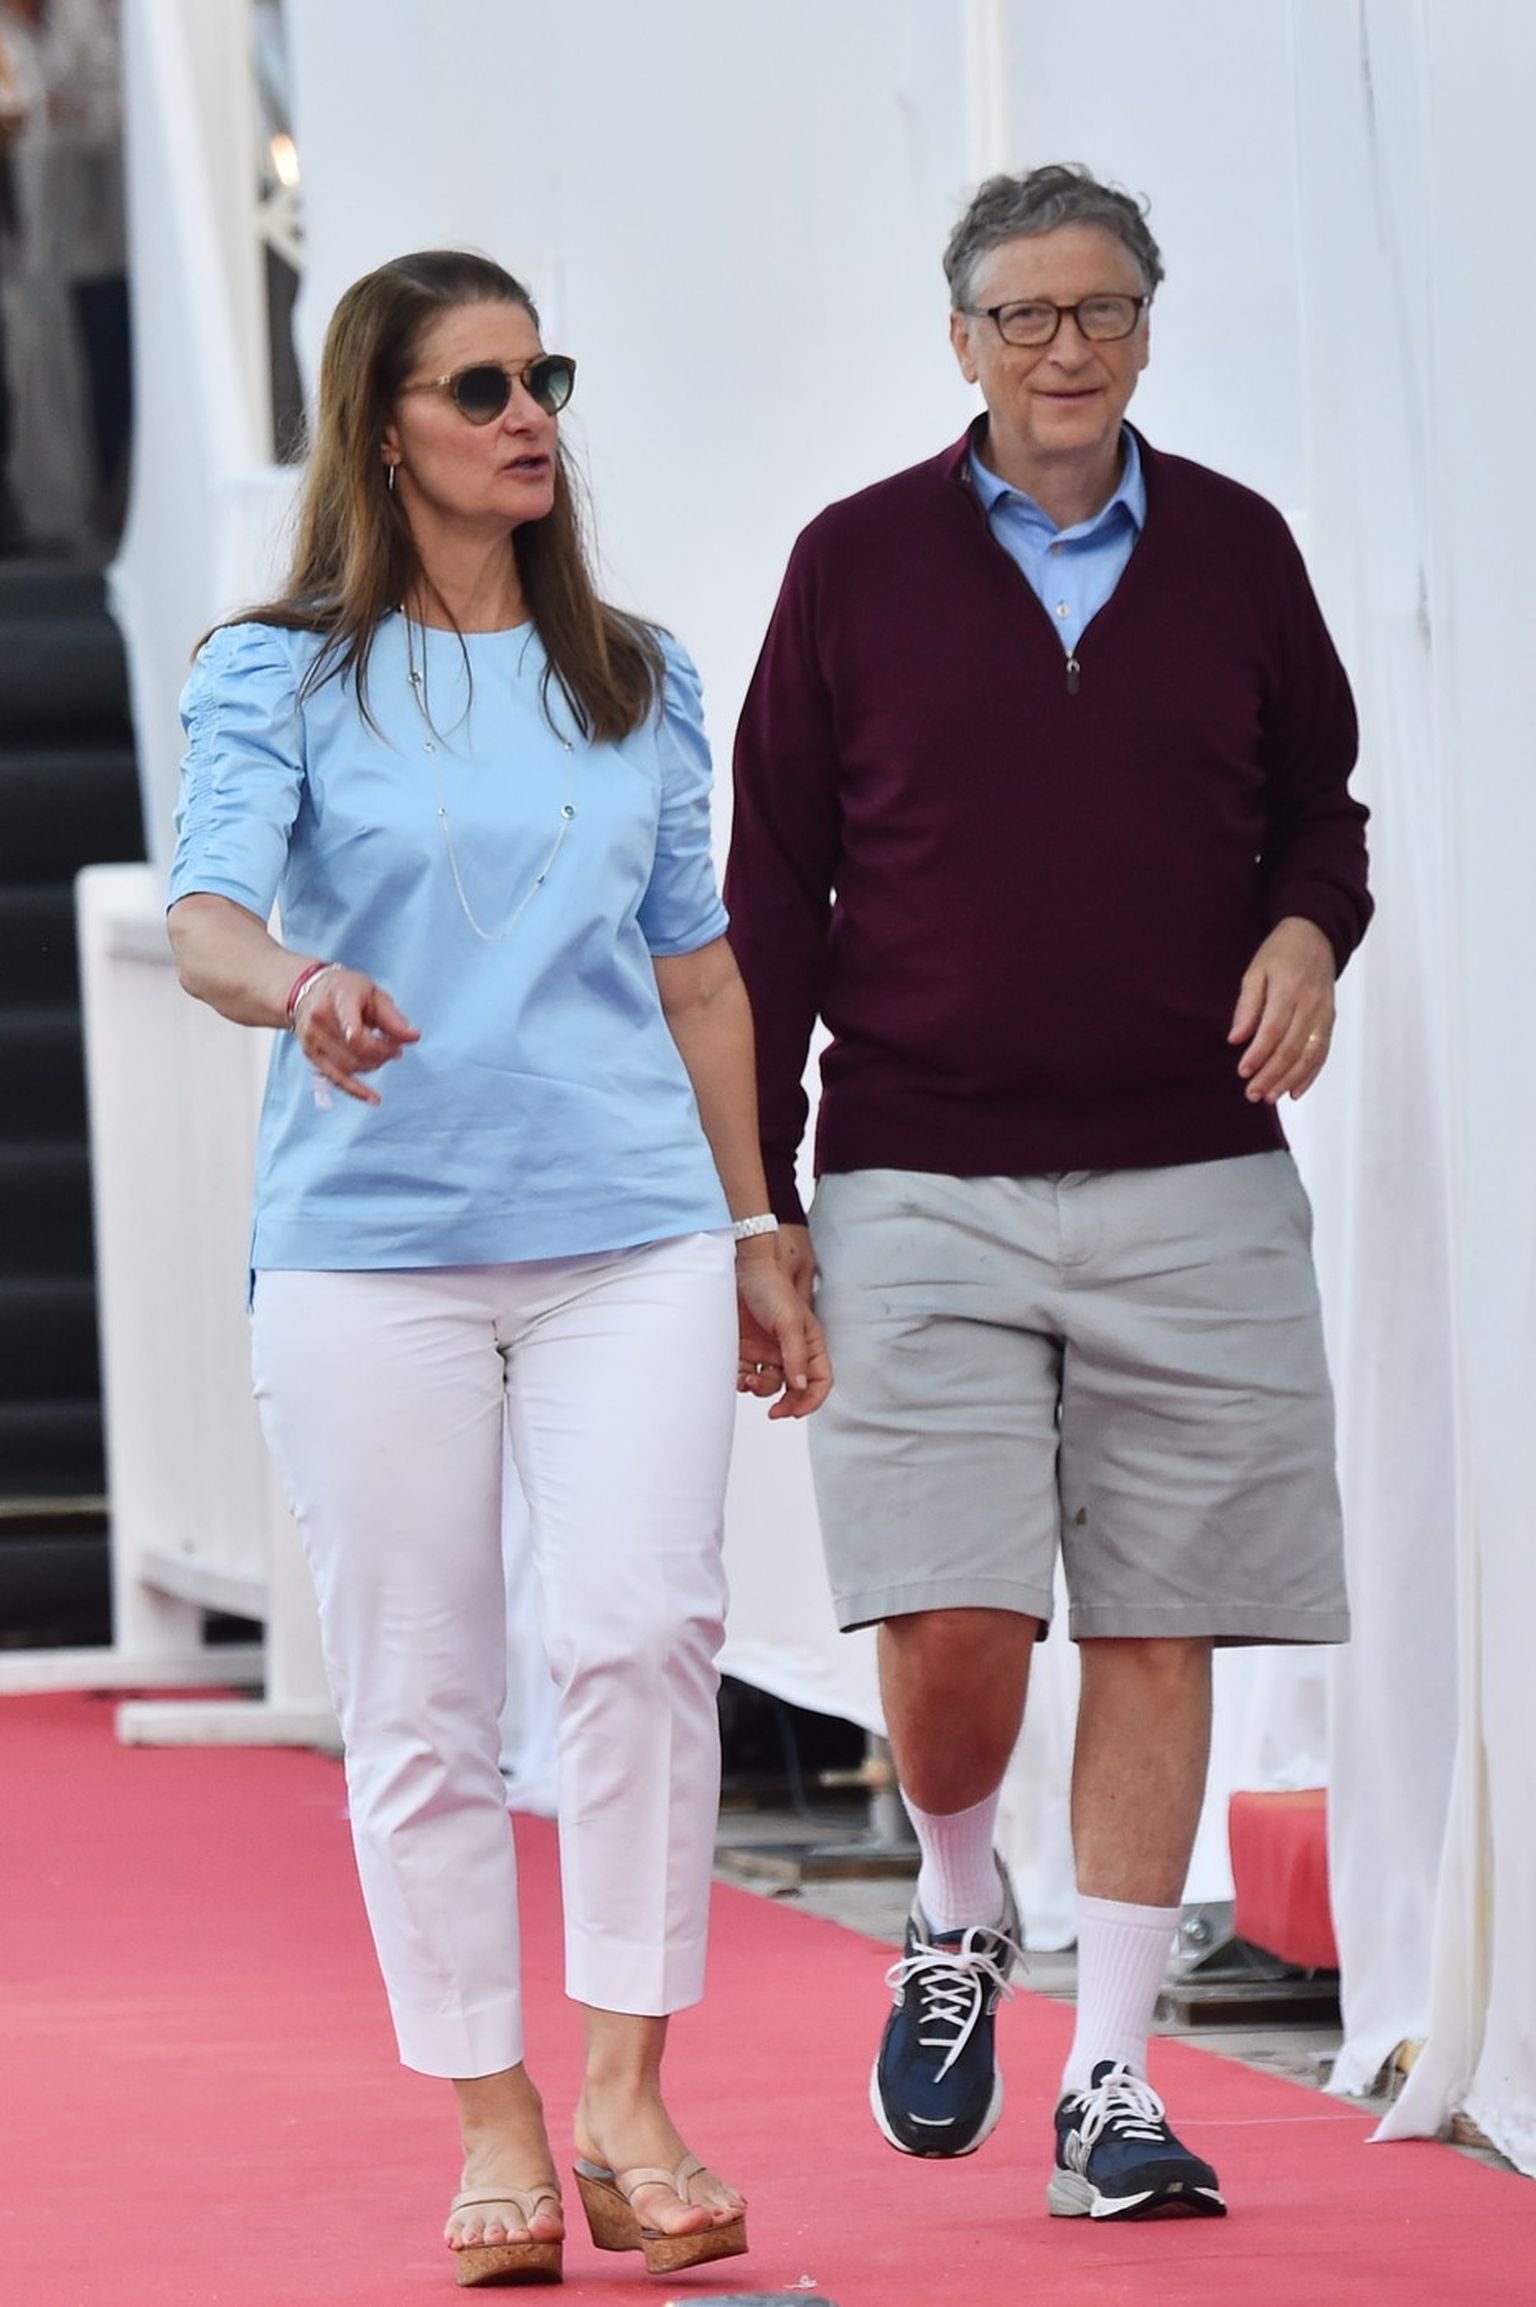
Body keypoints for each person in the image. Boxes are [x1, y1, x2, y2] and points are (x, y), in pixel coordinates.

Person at [167, 247, 830, 2288]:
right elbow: (205, 921)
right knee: (424, 1694)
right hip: (371, 1254)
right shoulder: (277, 671)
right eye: (478, 386)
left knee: (643, 1632)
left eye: (543, 375)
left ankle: (629, 2090)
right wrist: (305, 985)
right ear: (384, 429)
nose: (528, 412)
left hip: (633, 1230)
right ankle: (492, 2113)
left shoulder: (639, 671)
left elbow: (700, 970)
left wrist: (762, 1224)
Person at [725, 164, 1370, 2223]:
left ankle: (1112, 2081)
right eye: (1026, 315)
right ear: (962, 341)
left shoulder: (1242, 551)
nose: (1066, 348)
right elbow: (771, 889)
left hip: (1198, 1170)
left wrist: (1308, 932)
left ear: (1148, 327)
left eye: (1102, 310)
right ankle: (953, 1897)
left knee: (1162, 1621)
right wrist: (761, 1201)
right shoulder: (852, 565)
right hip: (917, 1166)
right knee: (951, 1619)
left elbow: (1320, 813)